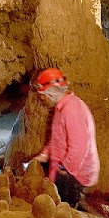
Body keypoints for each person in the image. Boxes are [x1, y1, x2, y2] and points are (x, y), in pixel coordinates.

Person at [32, 67, 100, 207]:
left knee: (65, 210)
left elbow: (79, 147)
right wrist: (44, 154)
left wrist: (65, 170)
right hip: (66, 168)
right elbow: (56, 137)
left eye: (42, 94)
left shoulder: (71, 109)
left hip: (74, 173)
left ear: (51, 93)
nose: (41, 98)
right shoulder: (62, 106)